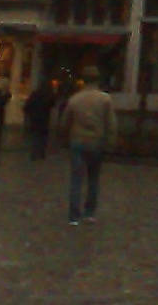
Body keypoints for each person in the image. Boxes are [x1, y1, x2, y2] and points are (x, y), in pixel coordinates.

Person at [55, 66, 118, 224]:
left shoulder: (75, 99)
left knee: (76, 179)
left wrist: (64, 138)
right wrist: (110, 142)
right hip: (96, 141)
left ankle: (74, 215)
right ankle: (89, 212)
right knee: (93, 178)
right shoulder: (105, 99)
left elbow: (65, 122)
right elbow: (111, 124)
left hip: (77, 141)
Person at [23, 79, 57, 161]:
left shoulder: (35, 94)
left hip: (35, 118)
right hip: (44, 118)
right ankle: (41, 153)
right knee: (43, 136)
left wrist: (30, 114)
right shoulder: (49, 95)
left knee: (35, 136)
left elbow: (27, 106)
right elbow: (52, 104)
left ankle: (34, 153)